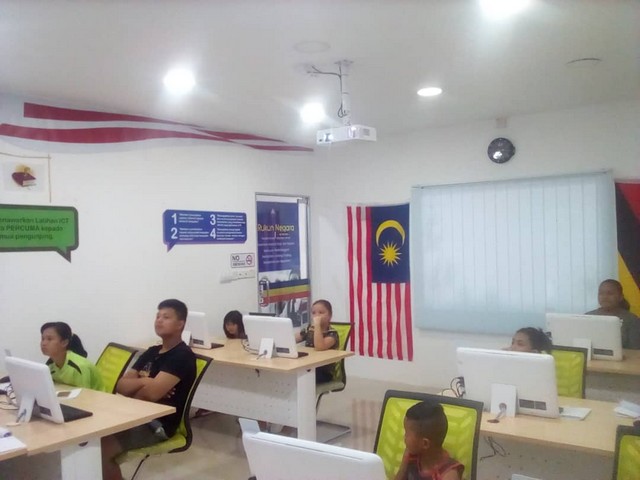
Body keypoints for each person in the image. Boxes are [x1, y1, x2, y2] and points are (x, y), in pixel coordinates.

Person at [101, 299, 197, 480]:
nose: (159, 320)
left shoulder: (182, 356)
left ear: (180, 324)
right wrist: (148, 381)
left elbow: (148, 395)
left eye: (166, 317)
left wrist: (140, 385)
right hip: (133, 415)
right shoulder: (152, 351)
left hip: (157, 424)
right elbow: (121, 386)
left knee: (102, 448)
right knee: (90, 437)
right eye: (157, 316)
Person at [395, 400, 464, 480]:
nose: (404, 437)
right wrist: (405, 462)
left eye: (407, 433)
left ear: (425, 443)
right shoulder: (411, 456)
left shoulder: (448, 475)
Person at [40, 321, 105, 391]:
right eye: (43, 339)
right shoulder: (50, 365)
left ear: (64, 342)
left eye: (49, 339)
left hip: (96, 397)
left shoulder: (80, 366)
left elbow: (84, 394)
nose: (43, 343)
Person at [586, 279, 640, 349]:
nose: (605, 297)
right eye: (601, 293)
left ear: (620, 297)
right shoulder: (588, 317)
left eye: (610, 293)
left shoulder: (632, 319)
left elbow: (636, 350)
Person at [296, 299, 339, 383]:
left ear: (330, 315)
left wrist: (317, 325)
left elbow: (319, 347)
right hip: (308, 366)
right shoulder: (309, 329)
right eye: (314, 313)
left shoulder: (332, 334)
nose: (317, 316)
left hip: (323, 371)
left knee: (301, 378)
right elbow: (293, 338)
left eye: (321, 312)